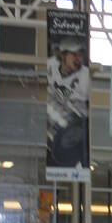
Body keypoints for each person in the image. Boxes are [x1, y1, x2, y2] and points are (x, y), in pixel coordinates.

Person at [46, 40, 89, 170]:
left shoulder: (84, 76)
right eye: (73, 54)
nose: (78, 58)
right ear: (62, 55)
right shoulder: (50, 66)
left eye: (79, 55)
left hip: (78, 121)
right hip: (62, 124)